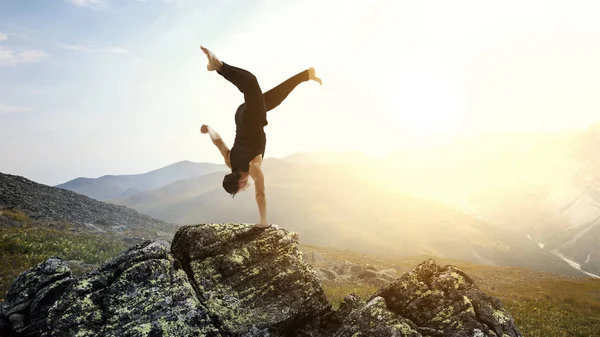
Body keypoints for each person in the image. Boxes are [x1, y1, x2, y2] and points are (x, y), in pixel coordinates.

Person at [199, 46, 322, 228]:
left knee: (250, 83)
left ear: (240, 184)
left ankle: (218, 66)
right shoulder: (230, 162)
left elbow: (260, 194)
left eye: (240, 189)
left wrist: (263, 222)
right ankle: (307, 75)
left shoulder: (253, 166)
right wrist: (208, 128)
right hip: (241, 115)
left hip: (252, 118)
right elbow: (218, 142)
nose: (243, 189)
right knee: (275, 98)